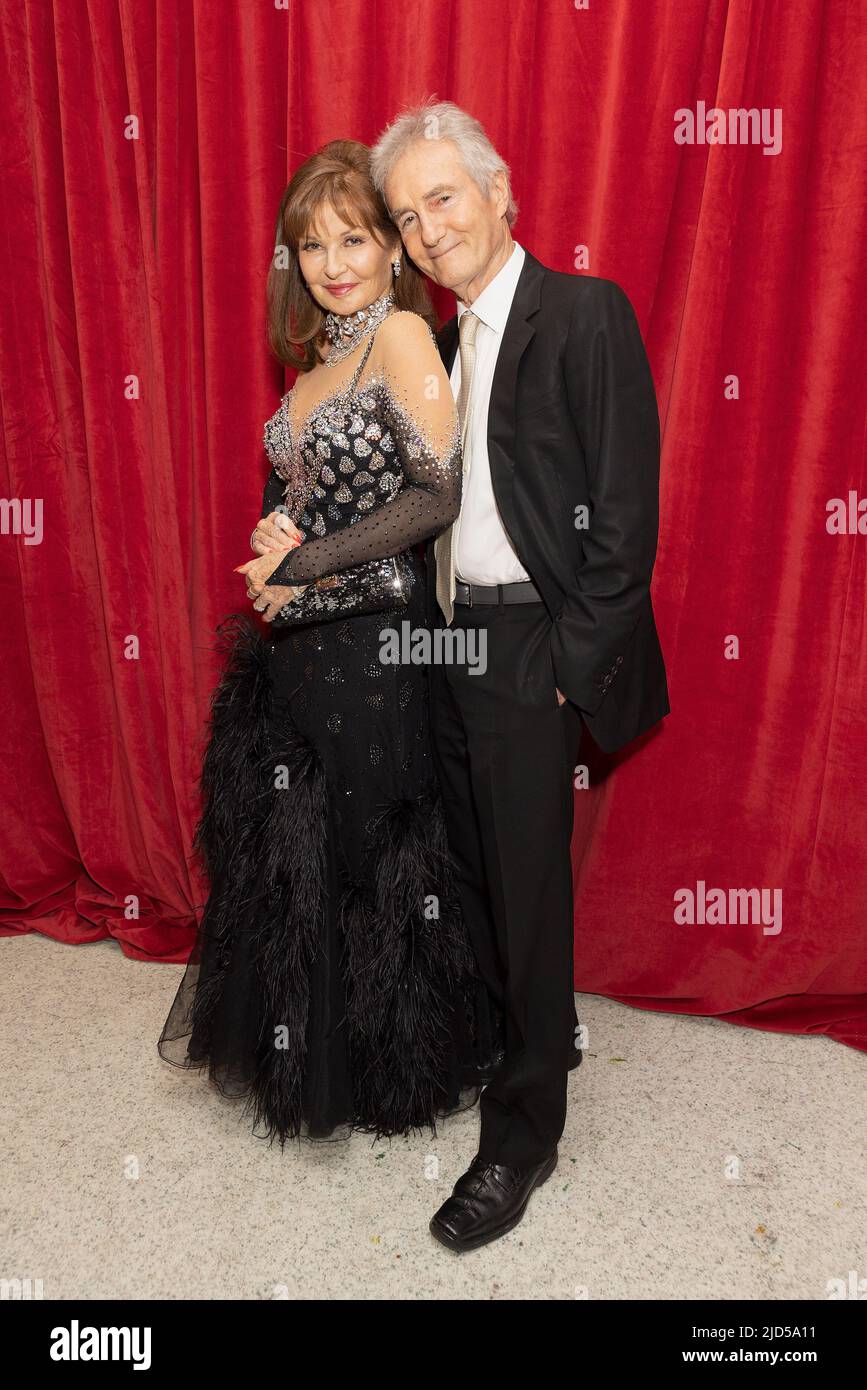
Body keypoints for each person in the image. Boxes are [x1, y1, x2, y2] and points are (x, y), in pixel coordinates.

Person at [371, 102, 669, 1250]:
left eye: (443, 197)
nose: (429, 226)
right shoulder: (439, 346)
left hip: (529, 652)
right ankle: (511, 1039)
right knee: (476, 875)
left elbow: (625, 519)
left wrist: (565, 670)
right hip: (451, 645)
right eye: (410, 213)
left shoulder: (585, 313)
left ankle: (525, 1132)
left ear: (500, 194)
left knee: (531, 894)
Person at [158, 140, 499, 1146]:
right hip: (300, 656)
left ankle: (405, 1063)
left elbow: (434, 497)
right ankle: (320, 1062)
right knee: (301, 858)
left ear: (394, 248)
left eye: (353, 237)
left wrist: (298, 566)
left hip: (385, 650)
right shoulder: (314, 364)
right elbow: (299, 506)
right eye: (310, 245)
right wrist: (278, 535)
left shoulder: (399, 334)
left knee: (381, 858)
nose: (332, 261)